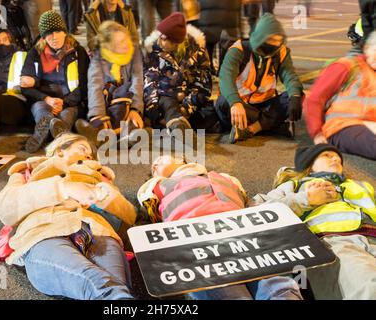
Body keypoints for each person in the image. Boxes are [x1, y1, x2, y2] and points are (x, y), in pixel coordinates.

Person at [137, 155, 303, 300]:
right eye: (153, 168)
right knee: (227, 293)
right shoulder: (154, 187)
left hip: (243, 230)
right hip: (195, 238)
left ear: (181, 159)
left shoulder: (225, 177)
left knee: (279, 286)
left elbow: (249, 204)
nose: (154, 165)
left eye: (159, 159)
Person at [0, 133, 137, 300]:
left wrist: (101, 195)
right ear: (60, 150)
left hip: (98, 231)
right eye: (82, 149)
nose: (87, 155)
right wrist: (63, 188)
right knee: (109, 290)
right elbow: (6, 207)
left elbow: (130, 215)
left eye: (90, 155)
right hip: (45, 230)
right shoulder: (29, 170)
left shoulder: (100, 177)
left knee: (116, 287)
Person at [251, 144, 376, 299]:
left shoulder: (362, 186)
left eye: (338, 157)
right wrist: (307, 198)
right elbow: (256, 213)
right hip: (333, 244)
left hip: (372, 240)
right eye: (327, 155)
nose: (336, 158)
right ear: (309, 166)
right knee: (370, 285)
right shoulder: (295, 185)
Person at [215, 13, 303, 143]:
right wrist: (235, 102)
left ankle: (251, 129)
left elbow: (290, 76)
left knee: (295, 97)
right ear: (261, 38)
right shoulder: (239, 50)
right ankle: (270, 124)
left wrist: (295, 96)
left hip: (264, 104)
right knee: (223, 102)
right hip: (242, 105)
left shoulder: (281, 52)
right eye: (272, 40)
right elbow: (225, 78)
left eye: (279, 40)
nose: (276, 44)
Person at [20, 10, 90, 153]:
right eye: (48, 33)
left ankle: (54, 134)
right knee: (41, 111)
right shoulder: (35, 53)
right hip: (44, 99)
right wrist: (46, 99)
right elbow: (25, 87)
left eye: (57, 32)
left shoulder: (78, 52)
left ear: (65, 32)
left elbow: (84, 84)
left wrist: (64, 102)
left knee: (66, 116)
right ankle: (47, 133)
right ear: (43, 36)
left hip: (71, 101)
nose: (54, 37)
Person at [303, 30, 376, 160]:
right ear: (366, 48)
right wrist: (317, 134)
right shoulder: (347, 66)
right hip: (342, 127)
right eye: (375, 50)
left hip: (369, 126)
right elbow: (315, 99)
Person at [143, 12, 218, 133]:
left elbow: (203, 87)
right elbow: (149, 84)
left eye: (163, 38)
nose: (159, 41)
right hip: (163, 101)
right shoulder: (152, 50)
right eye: (159, 36)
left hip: (188, 102)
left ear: (176, 43)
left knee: (213, 112)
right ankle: (175, 125)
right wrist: (155, 113)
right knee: (168, 103)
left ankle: (172, 124)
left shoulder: (198, 51)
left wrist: (185, 109)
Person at [76, 21, 143, 145]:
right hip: (107, 101)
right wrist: (97, 116)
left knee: (128, 113)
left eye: (126, 39)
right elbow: (94, 86)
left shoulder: (134, 52)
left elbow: (137, 82)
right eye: (120, 42)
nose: (126, 44)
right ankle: (100, 131)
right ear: (109, 46)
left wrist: (135, 110)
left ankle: (115, 137)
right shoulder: (98, 58)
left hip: (128, 101)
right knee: (102, 115)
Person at [197, 0, 242, 67]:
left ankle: (209, 71)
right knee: (227, 56)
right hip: (229, 21)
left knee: (207, 53)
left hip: (208, 20)